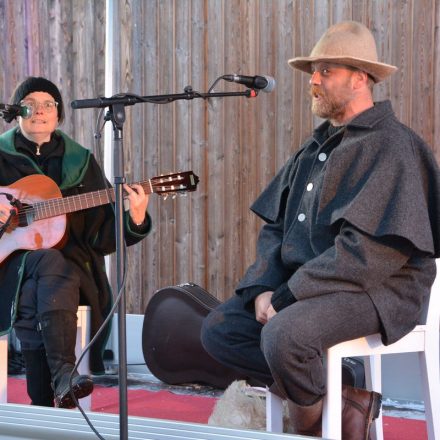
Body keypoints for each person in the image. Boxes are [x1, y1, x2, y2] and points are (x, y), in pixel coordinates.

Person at [201, 21, 440, 438]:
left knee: (283, 336)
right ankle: (345, 401)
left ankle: (313, 429)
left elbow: (368, 255)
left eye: (325, 70)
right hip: (312, 289)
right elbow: (277, 227)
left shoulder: (392, 145)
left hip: (381, 289)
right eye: (314, 71)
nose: (313, 80)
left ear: (359, 79)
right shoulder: (316, 148)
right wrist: (260, 288)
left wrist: (288, 295)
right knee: (220, 330)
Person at [0, 77, 151, 408]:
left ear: (58, 115)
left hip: (64, 275)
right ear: (16, 112)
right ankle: (63, 377)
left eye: (49, 105)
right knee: (45, 272)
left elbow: (100, 235)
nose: (40, 111)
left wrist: (135, 218)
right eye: (31, 104)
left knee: (50, 270)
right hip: (7, 271)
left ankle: (47, 397)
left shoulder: (79, 163)